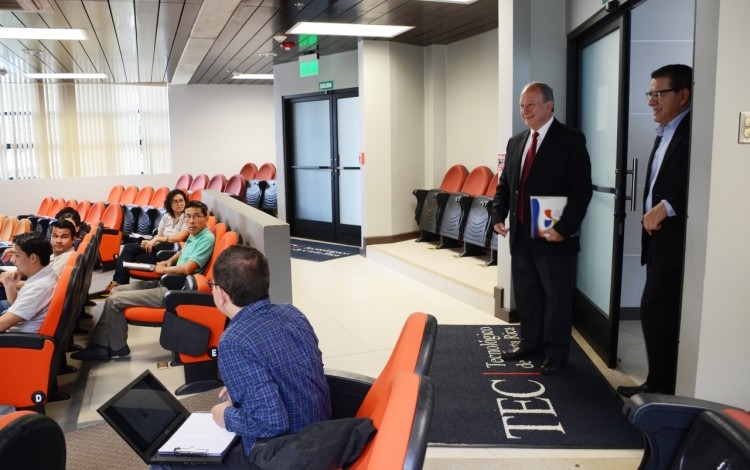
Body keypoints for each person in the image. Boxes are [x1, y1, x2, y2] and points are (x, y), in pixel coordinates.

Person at [152, 245, 331, 470]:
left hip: (280, 455)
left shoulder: (234, 340)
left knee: (164, 463)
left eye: (212, 285)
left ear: (222, 294)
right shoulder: (292, 313)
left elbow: (271, 423)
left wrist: (226, 415)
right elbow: (300, 372)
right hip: (320, 437)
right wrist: (243, 387)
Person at [492, 81, 592, 375]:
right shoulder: (517, 141)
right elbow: (505, 184)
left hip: (553, 233)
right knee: (527, 293)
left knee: (557, 297)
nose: (525, 111)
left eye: (531, 104)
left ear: (549, 105)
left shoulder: (571, 139)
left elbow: (581, 190)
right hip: (522, 233)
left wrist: (566, 227)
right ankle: (530, 343)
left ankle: (556, 353)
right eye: (522, 105)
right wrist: (499, 213)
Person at [617, 64, 693, 398]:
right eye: (650, 94)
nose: (651, 101)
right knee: (660, 312)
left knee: (655, 310)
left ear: (683, 95)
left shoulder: (694, 131)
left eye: (659, 94)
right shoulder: (667, 131)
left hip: (679, 239)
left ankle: (662, 387)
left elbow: (706, 183)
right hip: (658, 236)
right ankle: (661, 382)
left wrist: (668, 205)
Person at [72, 201, 215, 361]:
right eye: (188, 216)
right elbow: (183, 253)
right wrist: (169, 261)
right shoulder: (195, 234)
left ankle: (116, 347)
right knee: (116, 291)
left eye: (196, 216)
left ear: (206, 218)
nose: (191, 221)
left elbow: (188, 268)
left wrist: (164, 269)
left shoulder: (206, 238)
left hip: (176, 290)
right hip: (168, 281)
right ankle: (101, 344)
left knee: (115, 301)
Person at [97, 189, 189, 297]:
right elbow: (159, 234)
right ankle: (118, 283)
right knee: (128, 248)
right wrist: (149, 242)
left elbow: (181, 237)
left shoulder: (188, 217)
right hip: (157, 247)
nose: (179, 204)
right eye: (175, 201)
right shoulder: (167, 216)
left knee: (130, 258)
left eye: (181, 200)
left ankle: (119, 285)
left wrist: (157, 240)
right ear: (170, 204)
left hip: (169, 252)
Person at [0, 231, 57, 333]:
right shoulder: (45, 274)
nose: (13, 260)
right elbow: (19, 307)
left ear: (33, 258)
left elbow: (1, 325)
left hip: (13, 341)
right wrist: (10, 286)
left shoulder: (39, 287)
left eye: (17, 255)